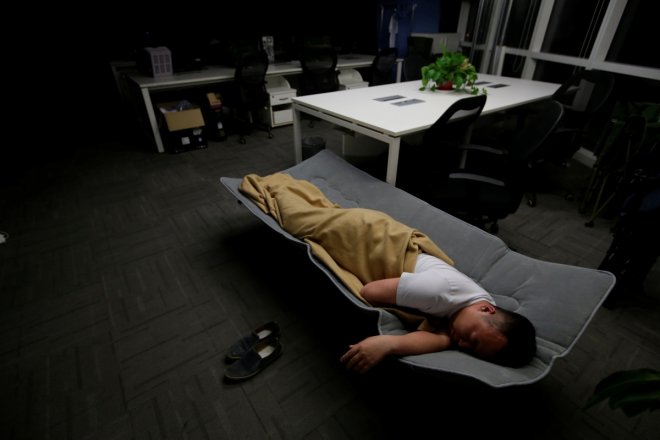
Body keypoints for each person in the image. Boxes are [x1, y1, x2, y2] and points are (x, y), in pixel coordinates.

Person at [340, 252, 537, 373]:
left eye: (471, 349)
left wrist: (388, 343)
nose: (461, 343)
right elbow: (369, 292)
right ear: (486, 310)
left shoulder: (480, 308)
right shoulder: (438, 291)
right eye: (472, 338)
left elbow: (443, 339)